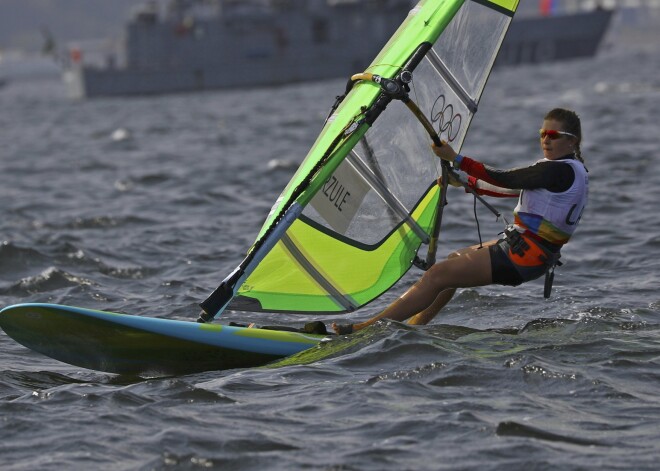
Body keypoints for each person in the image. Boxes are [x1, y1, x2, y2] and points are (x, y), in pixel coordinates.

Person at [333, 108, 588, 334]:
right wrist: (465, 182)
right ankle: (414, 327)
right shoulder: (568, 170)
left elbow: (506, 179)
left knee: (436, 276)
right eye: (542, 133)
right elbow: (509, 190)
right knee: (454, 261)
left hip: (522, 256)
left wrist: (456, 159)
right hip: (529, 253)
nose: (545, 140)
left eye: (553, 136)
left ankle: (367, 329)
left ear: (571, 141)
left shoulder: (558, 170)